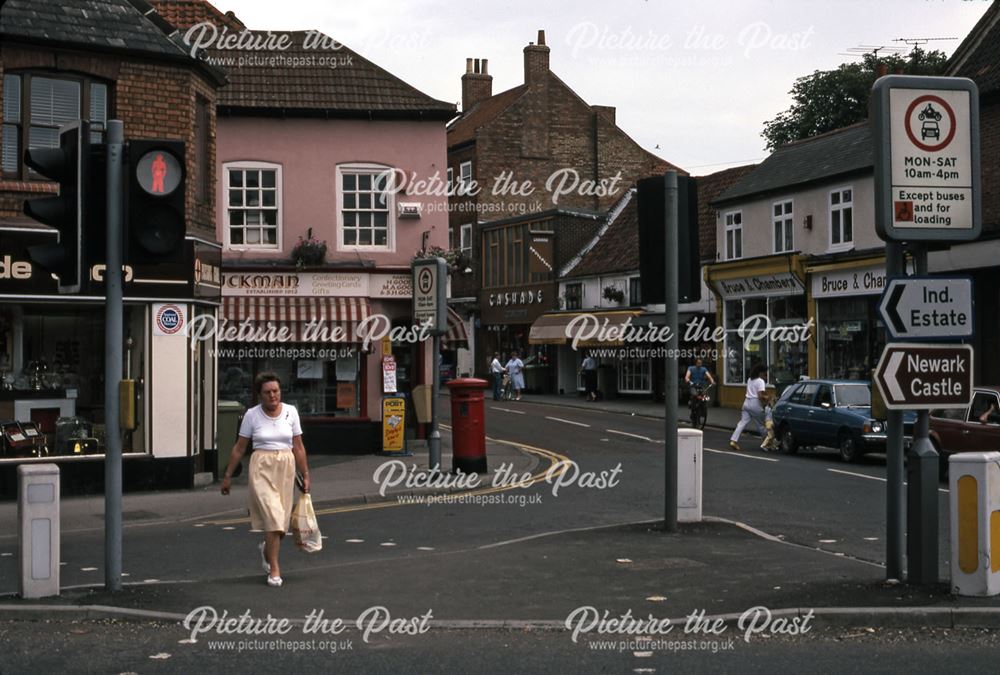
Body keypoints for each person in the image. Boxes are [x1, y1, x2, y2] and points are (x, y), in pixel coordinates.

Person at [221, 373, 311, 588]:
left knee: (281, 523)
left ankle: (266, 550)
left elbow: (298, 446)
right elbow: (239, 448)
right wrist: (227, 477)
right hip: (261, 467)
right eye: (267, 392)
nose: (272, 395)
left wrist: (306, 474)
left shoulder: (291, 412)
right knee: (274, 517)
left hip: (286, 467)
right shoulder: (252, 415)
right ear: (259, 395)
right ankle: (274, 569)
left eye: (276, 391)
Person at [730, 365, 769, 450]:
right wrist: (767, 398)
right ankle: (767, 443)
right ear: (761, 372)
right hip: (755, 404)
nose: (765, 375)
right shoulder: (760, 381)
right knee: (762, 424)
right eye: (765, 373)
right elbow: (760, 395)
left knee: (742, 423)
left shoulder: (749, 379)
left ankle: (733, 440)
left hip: (746, 402)